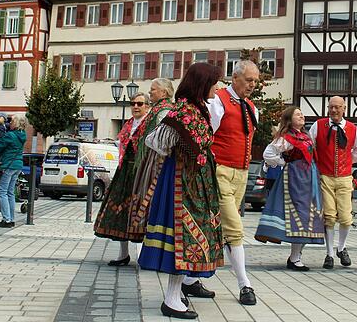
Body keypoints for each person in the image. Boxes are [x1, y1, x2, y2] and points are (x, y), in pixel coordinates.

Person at [138, 63, 224, 320]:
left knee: (190, 237)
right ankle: (171, 299)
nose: (217, 88)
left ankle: (179, 292)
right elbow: (155, 141)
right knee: (180, 237)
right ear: (202, 84)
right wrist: (179, 151)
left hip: (196, 183)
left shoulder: (199, 110)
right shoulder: (182, 112)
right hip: (180, 183)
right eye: (214, 83)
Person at [207, 60, 259, 305]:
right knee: (234, 228)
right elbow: (206, 133)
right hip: (221, 171)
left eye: (255, 81)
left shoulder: (250, 106)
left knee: (218, 228)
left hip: (241, 173)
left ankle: (187, 280)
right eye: (249, 80)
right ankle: (244, 284)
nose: (252, 85)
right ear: (235, 78)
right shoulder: (218, 100)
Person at [255, 106, 324, 271]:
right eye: (297, 114)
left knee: (309, 215)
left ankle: (295, 257)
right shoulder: (285, 138)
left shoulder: (305, 136)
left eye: (301, 114)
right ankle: (294, 258)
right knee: (299, 215)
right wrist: (284, 163)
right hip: (295, 179)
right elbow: (268, 154)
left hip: (309, 178)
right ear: (289, 119)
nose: (301, 116)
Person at [309, 96, 357, 269]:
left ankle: (341, 248)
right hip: (325, 176)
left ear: (344, 109)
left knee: (346, 218)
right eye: (331, 107)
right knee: (329, 217)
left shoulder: (352, 129)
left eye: (337, 107)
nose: (333, 110)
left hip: (345, 177)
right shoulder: (318, 126)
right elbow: (310, 147)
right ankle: (329, 253)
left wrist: (346, 164)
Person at [94, 92, 150, 265]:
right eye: (133, 103)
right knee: (120, 211)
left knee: (141, 212)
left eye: (140, 103)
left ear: (147, 105)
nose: (135, 107)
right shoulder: (128, 124)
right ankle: (123, 253)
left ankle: (143, 255)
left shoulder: (150, 124)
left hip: (141, 171)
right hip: (124, 171)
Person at [0, 115, 27, 228]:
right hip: (18, 164)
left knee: (1, 191)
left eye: (11, 121)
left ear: (16, 123)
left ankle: (6, 219)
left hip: (8, 164)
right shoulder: (23, 135)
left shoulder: (10, 135)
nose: (9, 123)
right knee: (10, 192)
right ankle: (11, 219)